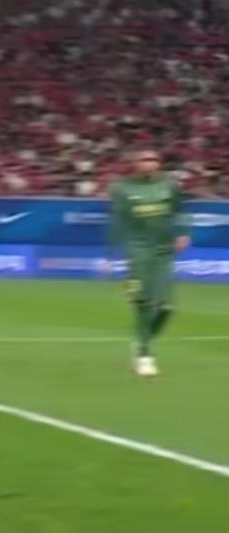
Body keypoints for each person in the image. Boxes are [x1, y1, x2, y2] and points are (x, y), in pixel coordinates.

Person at [109, 149, 190, 377]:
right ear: (135, 163)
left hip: (163, 250)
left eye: (153, 160)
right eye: (144, 159)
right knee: (143, 302)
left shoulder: (169, 186)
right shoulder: (122, 189)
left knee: (166, 307)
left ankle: (141, 344)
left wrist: (183, 232)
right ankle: (145, 355)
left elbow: (179, 211)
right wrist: (111, 257)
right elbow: (118, 223)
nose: (150, 163)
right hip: (138, 251)